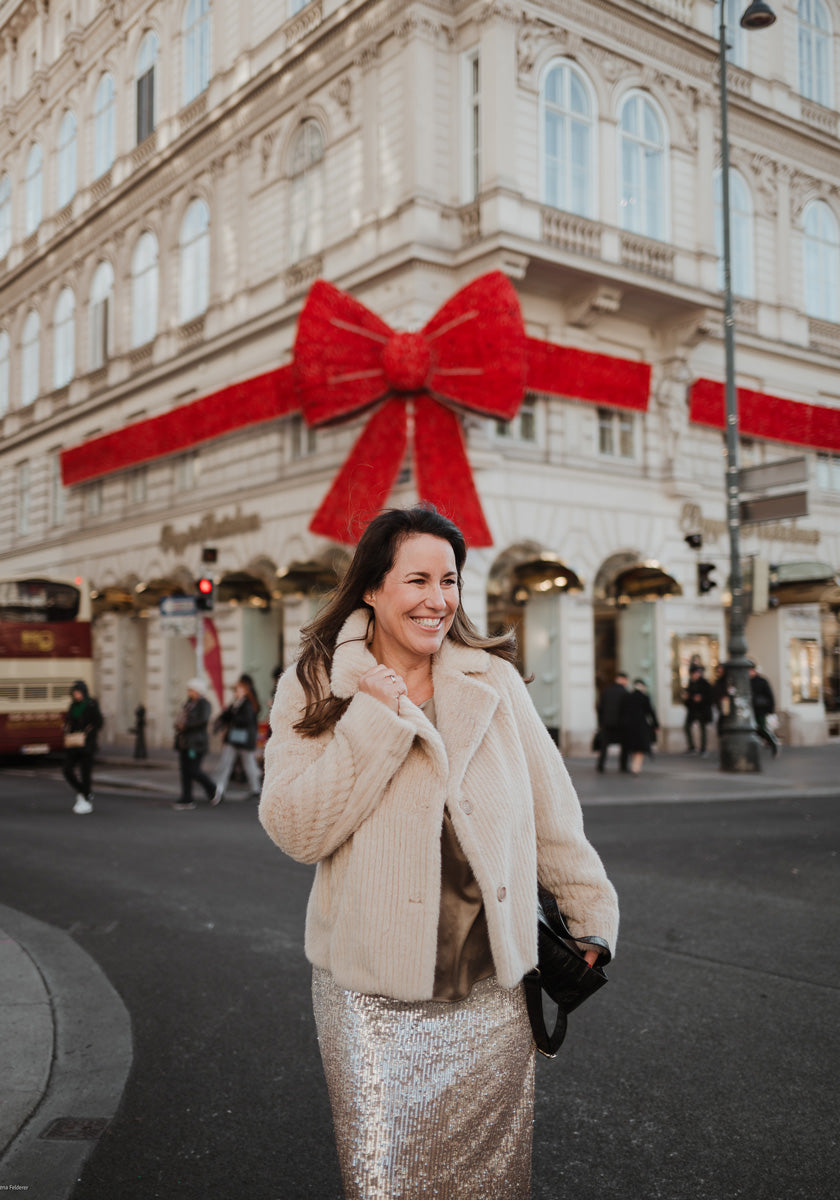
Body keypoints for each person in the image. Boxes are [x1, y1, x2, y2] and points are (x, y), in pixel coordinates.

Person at [259, 505, 619, 1200]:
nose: (437, 600)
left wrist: (591, 921)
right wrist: (375, 718)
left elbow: (553, 818)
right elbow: (296, 830)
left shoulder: (493, 682)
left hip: (492, 995)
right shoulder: (315, 683)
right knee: (384, 1181)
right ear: (371, 587)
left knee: (490, 1185)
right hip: (373, 1002)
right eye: (417, 579)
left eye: (449, 580)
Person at [211, 676, 262, 803]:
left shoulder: (247, 704)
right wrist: (220, 722)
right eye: (235, 690)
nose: (235, 692)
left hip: (244, 739)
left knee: (248, 763)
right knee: (226, 763)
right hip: (234, 739)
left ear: (245, 690)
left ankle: (256, 789)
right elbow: (225, 715)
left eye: (238, 689)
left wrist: (232, 717)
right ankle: (218, 788)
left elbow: (245, 720)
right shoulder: (236, 703)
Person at [172, 677, 216, 810]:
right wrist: (178, 725)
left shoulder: (204, 703)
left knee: (194, 770)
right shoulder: (188, 704)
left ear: (198, 691)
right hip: (184, 742)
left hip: (196, 743)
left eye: (191, 690)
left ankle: (212, 788)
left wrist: (186, 726)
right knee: (185, 771)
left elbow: (202, 720)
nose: (189, 692)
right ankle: (186, 797)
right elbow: (181, 718)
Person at [62, 680, 103, 814]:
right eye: (75, 693)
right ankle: (83, 791)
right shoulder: (73, 706)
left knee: (86, 773)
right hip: (73, 744)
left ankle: (86, 798)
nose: (77, 695)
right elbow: (69, 721)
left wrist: (89, 734)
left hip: (87, 744)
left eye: (79, 692)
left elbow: (99, 722)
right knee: (67, 770)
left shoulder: (91, 704)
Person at [620, 679, 658, 776]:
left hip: (628, 727)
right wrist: (656, 724)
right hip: (641, 726)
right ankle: (636, 767)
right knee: (640, 748)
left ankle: (634, 766)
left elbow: (622, 712)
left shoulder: (627, 697)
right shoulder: (644, 697)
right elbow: (650, 712)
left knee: (633, 747)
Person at [596, 671, 629, 772]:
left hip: (607, 722)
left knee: (604, 745)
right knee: (625, 745)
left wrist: (601, 721)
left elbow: (600, 707)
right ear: (623, 680)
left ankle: (601, 765)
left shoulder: (606, 691)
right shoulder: (625, 692)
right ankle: (623, 766)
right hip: (621, 724)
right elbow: (627, 710)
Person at [683, 664, 713, 756]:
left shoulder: (705, 683)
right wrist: (688, 698)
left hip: (702, 710)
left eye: (698, 673)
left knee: (702, 729)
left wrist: (701, 698)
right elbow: (687, 699)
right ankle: (692, 747)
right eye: (695, 673)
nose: (696, 675)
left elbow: (710, 697)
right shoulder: (690, 684)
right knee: (687, 727)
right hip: (693, 710)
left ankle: (703, 749)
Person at [750, 665, 779, 756]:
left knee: (762, 727)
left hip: (761, 709)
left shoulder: (762, 681)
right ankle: (767, 741)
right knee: (755, 729)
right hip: (752, 710)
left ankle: (773, 742)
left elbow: (769, 696)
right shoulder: (747, 682)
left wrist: (770, 709)